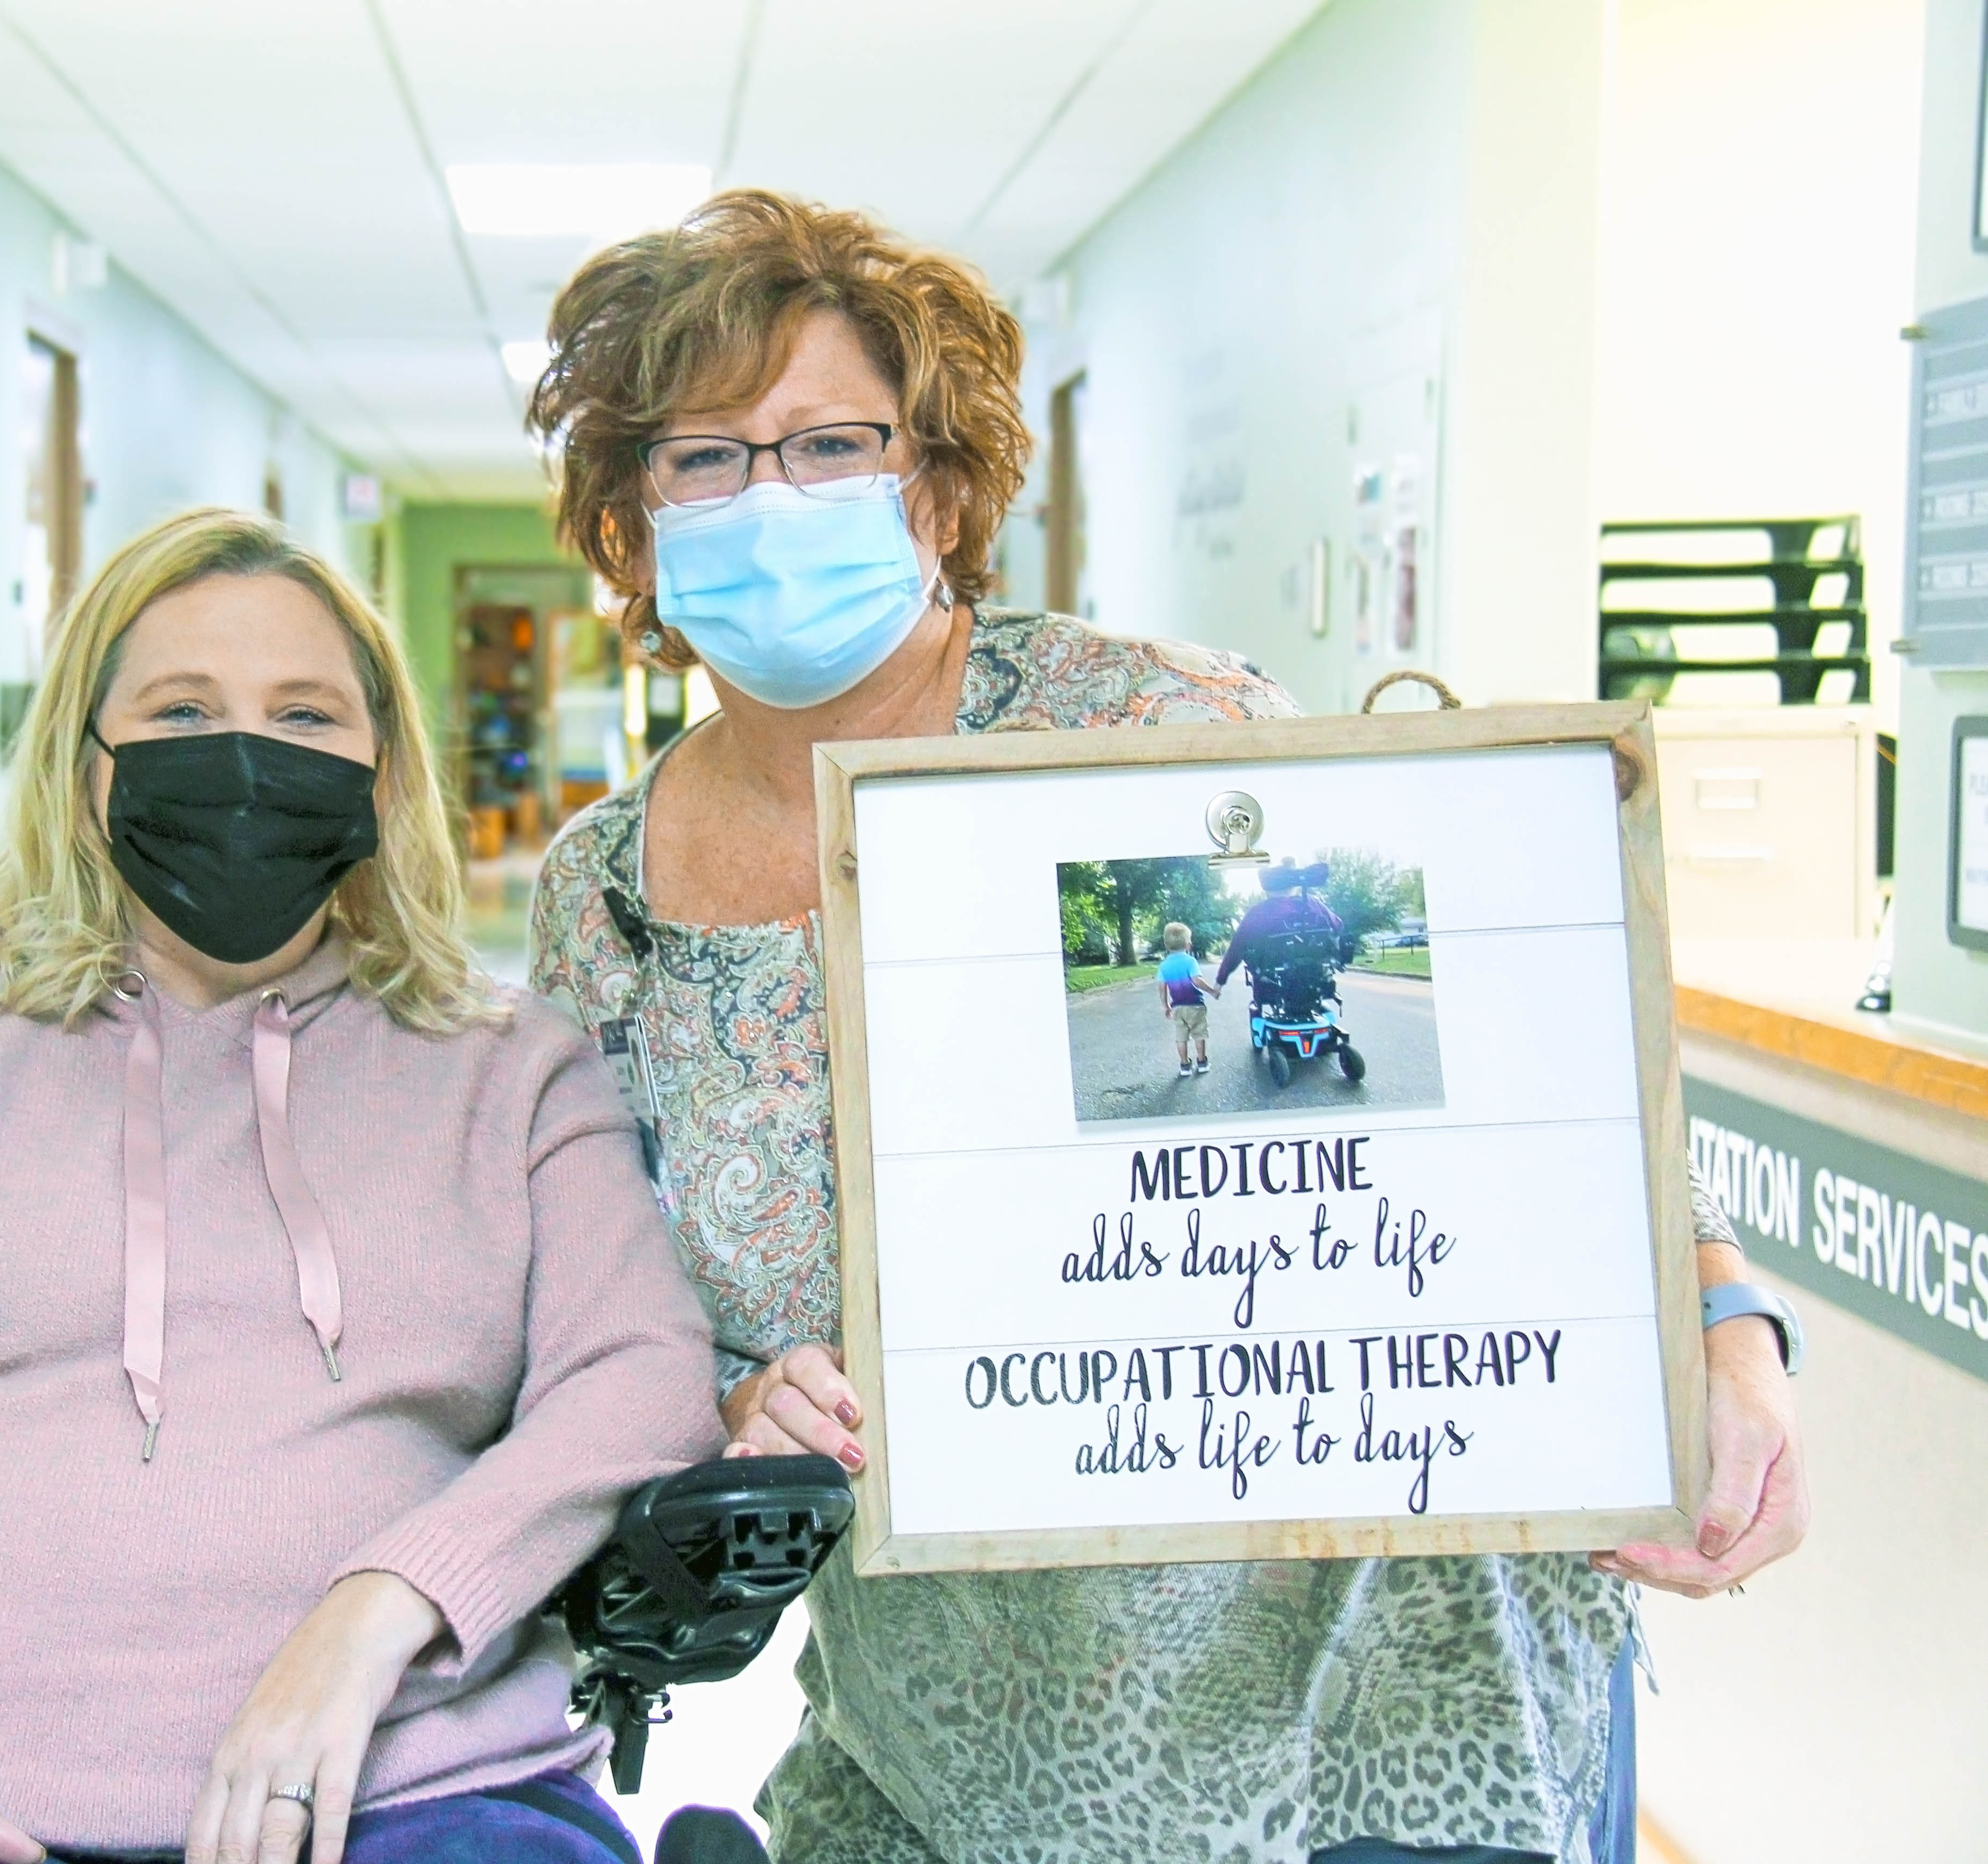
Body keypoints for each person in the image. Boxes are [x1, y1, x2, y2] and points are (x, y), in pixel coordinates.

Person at [523, 190, 1806, 1864]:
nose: (773, 499)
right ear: (627, 526)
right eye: (705, 457)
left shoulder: (1150, 732)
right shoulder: (602, 898)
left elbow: (1530, 1071)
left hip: (1372, 1712)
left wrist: (1731, 1332)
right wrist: (731, 1410)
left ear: (945, 487)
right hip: (947, 1745)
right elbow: (595, 1313)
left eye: (834, 442)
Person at [0, 509, 725, 1864]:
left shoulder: (507, 1073)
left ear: (384, 771)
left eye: (303, 713)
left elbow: (639, 1376)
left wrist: (381, 1605)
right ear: (84, 760)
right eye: (179, 710)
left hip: (395, 1791)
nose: (244, 756)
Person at [1216, 860, 1344, 991]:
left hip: (1272, 983)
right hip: (1316, 977)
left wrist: (1221, 980)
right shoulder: (1313, 904)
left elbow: (1238, 947)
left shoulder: (1259, 912)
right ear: (1295, 886)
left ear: (1270, 888)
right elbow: (1338, 926)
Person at [1155, 922, 1219, 1078]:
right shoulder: (1190, 962)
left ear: (1166, 944)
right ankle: (1202, 1062)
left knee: (1181, 1037)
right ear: (1188, 944)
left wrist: (1165, 1006)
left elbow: (1162, 987)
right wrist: (1212, 991)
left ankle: (1185, 1065)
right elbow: (1197, 980)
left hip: (1177, 1006)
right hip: (1195, 1005)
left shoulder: (1164, 966)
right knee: (1199, 1033)